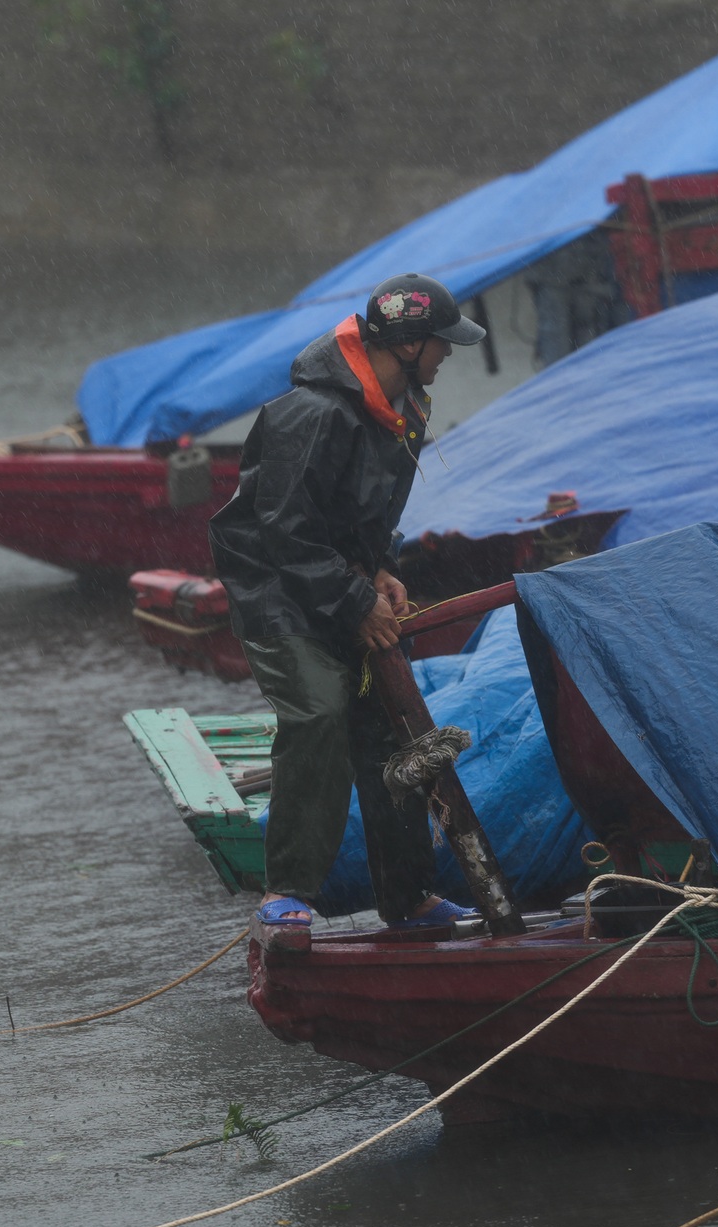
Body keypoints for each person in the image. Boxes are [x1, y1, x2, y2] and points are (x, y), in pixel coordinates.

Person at [208, 273, 489, 951]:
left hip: (337, 582)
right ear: (409, 343)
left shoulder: (406, 408)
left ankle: (408, 898)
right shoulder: (315, 414)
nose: (448, 357)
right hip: (279, 593)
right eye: (441, 345)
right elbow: (285, 532)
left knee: (391, 734)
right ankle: (286, 896)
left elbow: (361, 519)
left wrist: (382, 570)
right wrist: (354, 600)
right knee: (321, 714)